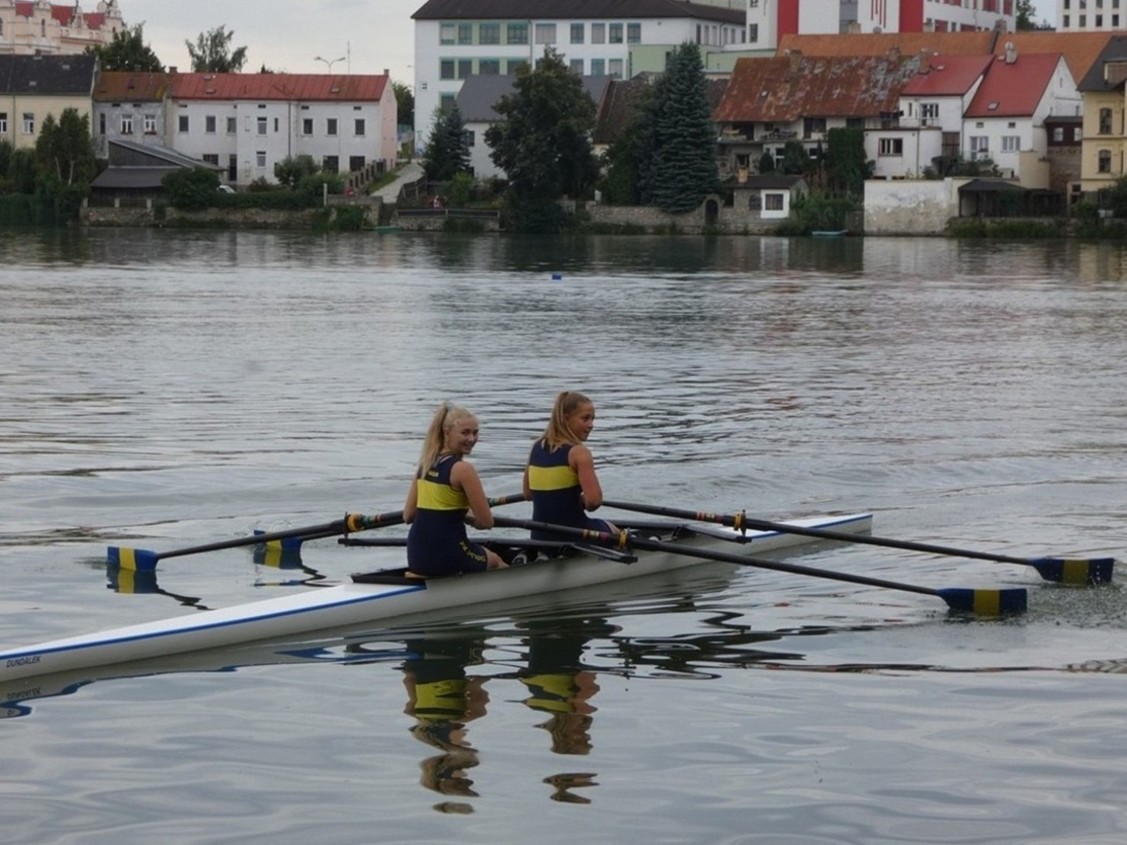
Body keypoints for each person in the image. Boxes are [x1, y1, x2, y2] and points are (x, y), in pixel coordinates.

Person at [404, 403, 507, 576]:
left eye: (475, 433)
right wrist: (467, 517)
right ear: (447, 433)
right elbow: (486, 522)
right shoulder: (463, 469)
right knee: (495, 561)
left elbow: (408, 516)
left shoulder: (425, 465)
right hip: (449, 554)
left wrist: (449, 512)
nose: (472, 439)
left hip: (416, 555)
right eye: (465, 433)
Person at [523, 391, 616, 542]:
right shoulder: (579, 453)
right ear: (566, 419)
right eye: (585, 418)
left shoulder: (536, 447)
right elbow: (594, 501)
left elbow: (528, 494)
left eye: (592, 419)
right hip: (575, 535)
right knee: (615, 531)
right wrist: (581, 500)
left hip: (540, 537)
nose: (591, 425)